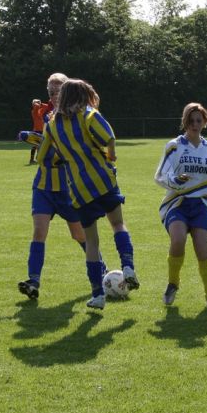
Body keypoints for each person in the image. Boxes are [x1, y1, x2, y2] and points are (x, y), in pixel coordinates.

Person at [38, 79, 138, 310]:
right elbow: (108, 136)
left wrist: (63, 157)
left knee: (91, 241)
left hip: (79, 189)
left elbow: (44, 157)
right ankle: (128, 266)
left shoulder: (52, 125)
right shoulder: (89, 114)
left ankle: (98, 295)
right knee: (118, 224)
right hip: (103, 180)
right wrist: (110, 154)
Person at [16, 73, 102, 301]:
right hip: (43, 186)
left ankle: (101, 270)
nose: (53, 95)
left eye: (58, 90)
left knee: (79, 234)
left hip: (67, 187)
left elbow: (58, 147)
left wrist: (31, 138)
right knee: (39, 231)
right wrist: (32, 137)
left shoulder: (74, 118)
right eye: (50, 91)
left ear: (67, 91)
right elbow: (46, 142)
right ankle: (33, 281)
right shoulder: (47, 115)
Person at [154, 102, 207, 310]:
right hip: (177, 203)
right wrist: (176, 180)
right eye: (191, 120)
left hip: (202, 205)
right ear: (185, 122)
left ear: (204, 122)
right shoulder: (174, 146)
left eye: (198, 120)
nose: (195, 124)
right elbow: (160, 175)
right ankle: (173, 284)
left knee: (202, 250)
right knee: (178, 239)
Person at [29, 98, 50, 164]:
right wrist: (37, 102)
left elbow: (47, 106)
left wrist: (41, 103)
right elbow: (37, 106)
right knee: (35, 145)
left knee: (41, 145)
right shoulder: (34, 111)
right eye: (36, 103)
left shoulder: (40, 110)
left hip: (42, 130)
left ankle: (38, 158)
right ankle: (32, 159)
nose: (38, 104)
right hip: (36, 130)